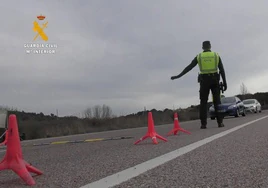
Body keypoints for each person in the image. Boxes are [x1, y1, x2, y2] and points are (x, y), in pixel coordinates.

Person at [171, 41, 227, 129]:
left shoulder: (199, 56)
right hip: (215, 80)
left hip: (204, 81)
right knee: (217, 102)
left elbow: (189, 67)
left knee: (203, 102)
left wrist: (179, 76)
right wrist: (225, 82)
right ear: (210, 46)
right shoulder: (216, 55)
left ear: (202, 47)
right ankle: (220, 122)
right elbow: (222, 70)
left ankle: (203, 124)